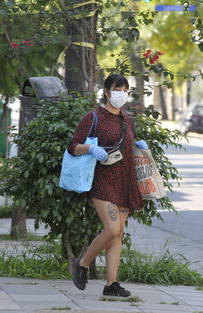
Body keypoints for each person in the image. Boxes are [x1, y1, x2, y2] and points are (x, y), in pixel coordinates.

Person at [66, 74, 148, 297]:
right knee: (111, 229)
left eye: (125, 89)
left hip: (125, 179)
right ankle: (82, 264)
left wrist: (139, 146)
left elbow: (129, 143)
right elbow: (72, 146)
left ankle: (111, 285)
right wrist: (91, 148)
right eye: (117, 89)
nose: (121, 93)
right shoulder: (93, 117)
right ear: (106, 91)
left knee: (117, 234)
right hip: (102, 179)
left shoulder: (127, 119)